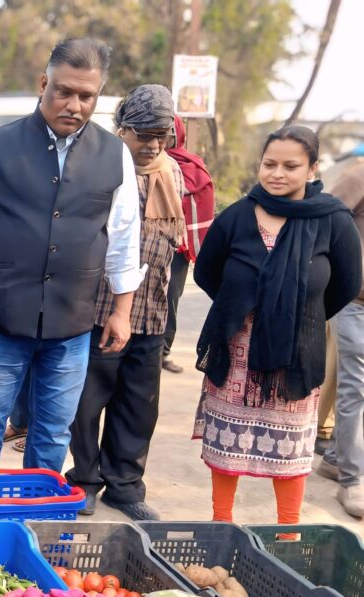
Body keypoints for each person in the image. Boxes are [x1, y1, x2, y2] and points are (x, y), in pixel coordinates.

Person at [0, 38, 142, 474]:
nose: (74, 105)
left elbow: (125, 238)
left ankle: (38, 512)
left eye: (86, 96)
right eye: (63, 91)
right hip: (0, 318)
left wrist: (122, 311)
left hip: (71, 324)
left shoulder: (115, 156)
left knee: (53, 431)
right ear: (43, 83)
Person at [193, 125, 361, 526]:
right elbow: (206, 271)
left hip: (296, 355)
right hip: (236, 349)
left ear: (312, 169)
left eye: (290, 166)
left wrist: (303, 315)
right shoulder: (237, 216)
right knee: (226, 445)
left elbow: (348, 283)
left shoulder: (332, 220)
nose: (277, 173)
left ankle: (288, 534)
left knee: (291, 450)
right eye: (270, 164)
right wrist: (242, 305)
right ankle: (221, 524)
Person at [67, 85, 187, 521]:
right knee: (87, 403)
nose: (153, 145)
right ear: (122, 131)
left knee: (138, 406)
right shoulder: (101, 168)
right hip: (101, 309)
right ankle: (84, 481)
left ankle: (125, 486)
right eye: (144, 135)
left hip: (152, 311)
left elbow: (174, 247)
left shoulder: (173, 173)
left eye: (161, 135)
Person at [316, 160, 364, 518]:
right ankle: (353, 479)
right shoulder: (359, 175)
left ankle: (334, 459)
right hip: (354, 301)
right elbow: (325, 220)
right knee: (356, 386)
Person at [162, 115, 214, 374]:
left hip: (178, 249)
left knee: (170, 298)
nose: (164, 137)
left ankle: (163, 351)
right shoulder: (142, 161)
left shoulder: (192, 165)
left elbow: (203, 201)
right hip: (147, 242)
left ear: (178, 135)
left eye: (169, 132)